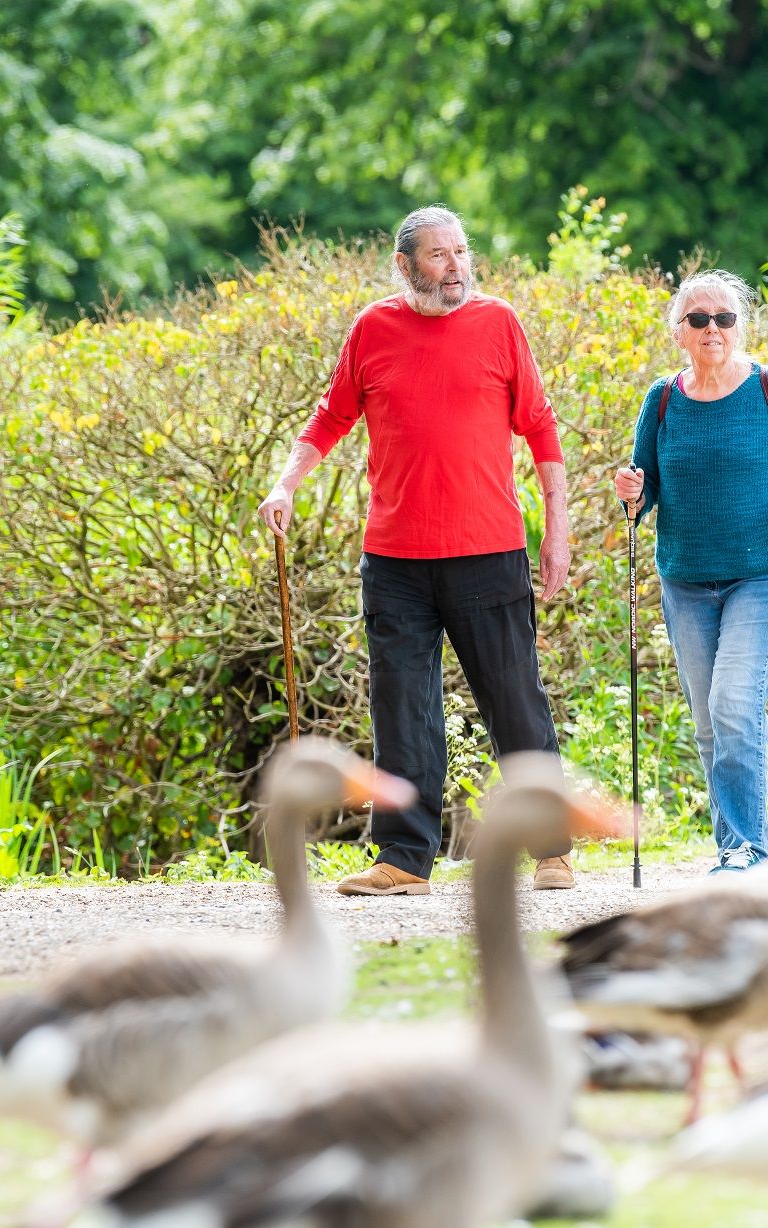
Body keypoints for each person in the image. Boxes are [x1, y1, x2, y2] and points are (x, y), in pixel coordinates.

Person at [257, 205, 577, 894]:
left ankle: (551, 849)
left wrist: (558, 530)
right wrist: (285, 484)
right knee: (402, 707)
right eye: (439, 255)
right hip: (395, 559)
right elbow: (330, 416)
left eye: (462, 251)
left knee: (515, 699)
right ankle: (404, 859)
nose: (456, 266)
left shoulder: (499, 324)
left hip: (488, 551)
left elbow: (542, 430)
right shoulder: (373, 328)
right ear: (404, 265)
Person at [613, 270, 768, 873]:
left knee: (735, 701)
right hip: (686, 577)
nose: (713, 329)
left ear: (740, 326)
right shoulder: (662, 399)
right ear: (679, 331)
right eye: (699, 319)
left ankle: (746, 848)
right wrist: (631, 489)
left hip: (764, 571)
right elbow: (644, 486)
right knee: (709, 717)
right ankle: (732, 843)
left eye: (725, 318)